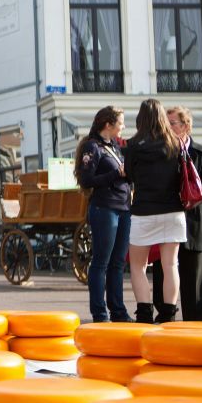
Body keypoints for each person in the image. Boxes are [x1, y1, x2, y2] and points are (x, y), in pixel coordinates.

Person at [151, 106, 202, 321]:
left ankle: (195, 327)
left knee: (194, 282)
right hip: (167, 222)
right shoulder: (162, 154)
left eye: (172, 123)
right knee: (162, 276)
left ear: (186, 126)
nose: (167, 128)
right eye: (166, 124)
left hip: (192, 225)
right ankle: (165, 322)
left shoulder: (201, 153)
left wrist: (192, 191)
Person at [123, 99, 185, 324]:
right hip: (173, 211)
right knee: (170, 265)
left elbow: (129, 176)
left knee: (138, 266)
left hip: (144, 211)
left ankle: (145, 314)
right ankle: (168, 314)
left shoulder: (133, 145)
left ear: (141, 118)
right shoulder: (175, 143)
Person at [74, 106, 132, 324]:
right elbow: (87, 180)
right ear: (108, 124)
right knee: (101, 263)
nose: (123, 126)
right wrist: (116, 174)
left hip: (124, 208)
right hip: (104, 208)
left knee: (118, 263)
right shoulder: (92, 147)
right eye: (121, 122)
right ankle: (100, 314)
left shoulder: (115, 146)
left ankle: (118, 311)